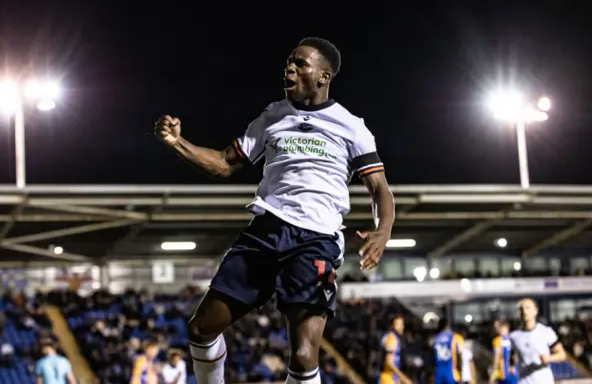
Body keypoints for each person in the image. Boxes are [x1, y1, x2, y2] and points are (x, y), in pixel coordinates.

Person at [154, 37, 395, 384]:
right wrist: (177, 142)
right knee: (201, 328)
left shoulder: (351, 126)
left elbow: (380, 189)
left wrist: (382, 230)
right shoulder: (273, 115)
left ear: (324, 76)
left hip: (317, 240)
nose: (290, 68)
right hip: (266, 232)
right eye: (288, 62)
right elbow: (224, 163)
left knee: (302, 355)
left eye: (300, 63)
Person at [508, 299, 566, 384]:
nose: (524, 311)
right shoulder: (514, 336)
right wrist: (511, 366)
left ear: (535, 311)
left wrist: (549, 358)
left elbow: (562, 355)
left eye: (528, 308)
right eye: (521, 309)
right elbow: (512, 355)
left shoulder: (546, 332)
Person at [378, 315, 412, 384]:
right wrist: (404, 378)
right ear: (392, 326)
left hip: (392, 378)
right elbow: (389, 362)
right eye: (399, 325)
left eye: (402, 324)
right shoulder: (392, 338)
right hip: (387, 379)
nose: (402, 327)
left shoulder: (393, 337)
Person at [432, 318, 464, 384]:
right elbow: (459, 355)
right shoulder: (453, 337)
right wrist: (460, 372)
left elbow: (432, 357)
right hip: (451, 373)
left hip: (439, 373)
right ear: (447, 325)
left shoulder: (435, 339)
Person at [489, 320, 517, 384]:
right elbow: (515, 355)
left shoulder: (497, 340)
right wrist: (513, 365)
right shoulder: (513, 338)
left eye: (499, 327)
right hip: (515, 372)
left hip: (503, 374)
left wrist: (493, 374)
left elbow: (496, 358)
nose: (497, 329)